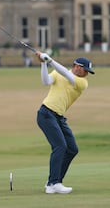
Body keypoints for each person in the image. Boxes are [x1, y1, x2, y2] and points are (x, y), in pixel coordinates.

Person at [35, 50, 95, 194]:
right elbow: (45, 81)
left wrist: (50, 61)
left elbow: (67, 75)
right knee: (60, 146)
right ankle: (53, 183)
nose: (87, 73)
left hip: (59, 117)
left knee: (72, 149)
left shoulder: (82, 83)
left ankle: (53, 181)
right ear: (77, 66)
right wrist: (43, 64)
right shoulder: (58, 73)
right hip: (46, 114)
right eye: (85, 70)